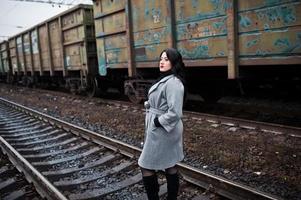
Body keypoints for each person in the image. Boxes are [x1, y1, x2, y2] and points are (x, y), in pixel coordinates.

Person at [138, 48, 186, 200]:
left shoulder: (174, 82)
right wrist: (150, 104)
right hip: (162, 129)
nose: (162, 62)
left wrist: (158, 121)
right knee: (170, 164)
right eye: (161, 59)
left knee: (145, 165)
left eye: (166, 59)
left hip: (164, 129)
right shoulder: (166, 78)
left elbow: (175, 112)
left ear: (174, 62)